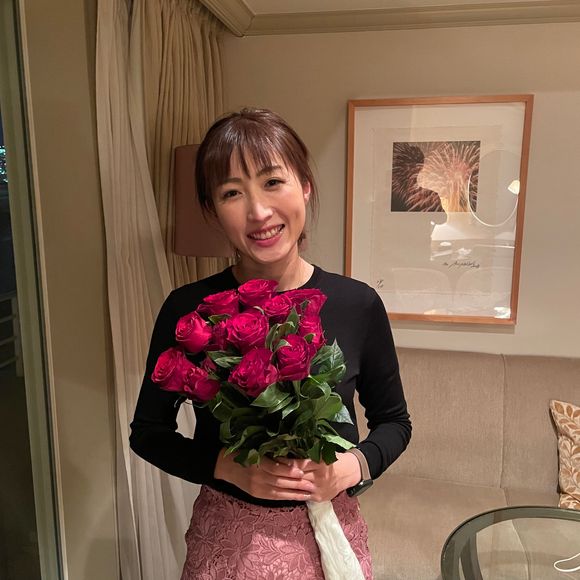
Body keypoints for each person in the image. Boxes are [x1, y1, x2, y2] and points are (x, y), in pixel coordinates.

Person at [130, 108, 412, 579]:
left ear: (305, 186)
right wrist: (227, 467)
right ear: (212, 211)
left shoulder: (357, 304)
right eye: (232, 193)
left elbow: (394, 422)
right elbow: (147, 432)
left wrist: (352, 467)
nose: (258, 212)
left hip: (330, 536)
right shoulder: (190, 309)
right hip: (228, 547)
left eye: (273, 182)